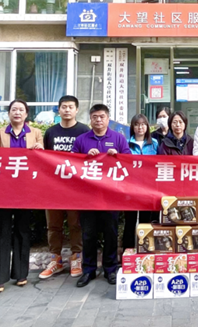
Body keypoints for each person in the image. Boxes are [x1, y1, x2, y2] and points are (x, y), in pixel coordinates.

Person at [72, 104, 131, 287]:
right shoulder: (81, 140)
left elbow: (129, 161)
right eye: (95, 117)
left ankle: (110, 269)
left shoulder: (118, 138)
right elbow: (71, 163)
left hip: (111, 196)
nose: (98, 120)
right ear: (90, 119)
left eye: (102, 117)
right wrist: (85, 157)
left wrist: (118, 156)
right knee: (88, 234)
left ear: (108, 118)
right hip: (87, 196)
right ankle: (88, 270)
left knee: (110, 234)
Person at [0, 99, 44, 294]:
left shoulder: (36, 133)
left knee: (22, 230)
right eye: (14, 109)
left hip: (26, 189)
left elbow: (43, 160)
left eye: (21, 110)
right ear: (9, 113)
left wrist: (40, 151)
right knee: (2, 231)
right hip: (3, 189)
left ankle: (21, 274)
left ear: (26, 114)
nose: (17, 113)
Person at [39, 95, 90, 281]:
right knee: (53, 225)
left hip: (76, 187)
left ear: (77, 110)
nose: (67, 110)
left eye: (71, 107)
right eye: (64, 107)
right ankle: (56, 259)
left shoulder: (84, 131)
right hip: (53, 187)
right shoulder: (50, 132)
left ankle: (76, 258)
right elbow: (44, 158)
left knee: (75, 223)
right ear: (59, 110)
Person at [123, 114, 159, 249]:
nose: (140, 127)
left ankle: (145, 249)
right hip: (130, 188)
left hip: (148, 188)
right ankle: (128, 250)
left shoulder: (154, 143)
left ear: (147, 126)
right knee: (130, 221)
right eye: (137, 124)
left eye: (143, 124)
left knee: (145, 221)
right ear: (133, 127)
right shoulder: (126, 143)